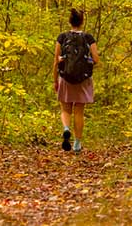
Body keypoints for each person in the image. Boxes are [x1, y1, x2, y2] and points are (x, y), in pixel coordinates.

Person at [53, 9, 100, 154]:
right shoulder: (88, 38)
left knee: (65, 109)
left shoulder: (62, 37)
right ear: (82, 22)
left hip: (65, 78)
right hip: (83, 79)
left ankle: (66, 129)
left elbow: (56, 61)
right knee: (79, 112)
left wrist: (55, 80)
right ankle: (77, 144)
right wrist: (87, 62)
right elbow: (96, 59)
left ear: (69, 21)